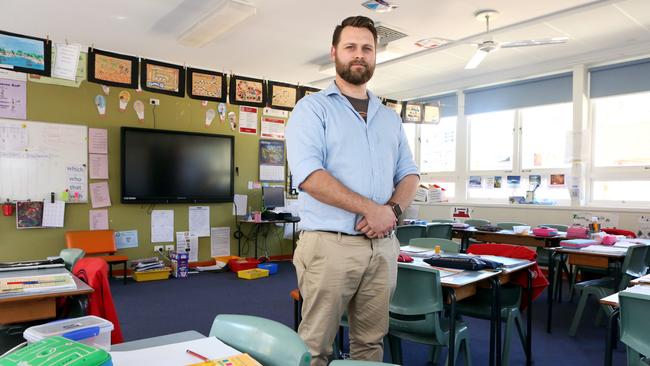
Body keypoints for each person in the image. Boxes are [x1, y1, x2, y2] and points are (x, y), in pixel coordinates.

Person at [285, 15, 420, 365]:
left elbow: (409, 175)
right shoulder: (311, 109)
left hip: (383, 248)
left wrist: (389, 211)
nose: (358, 55)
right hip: (330, 246)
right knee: (315, 348)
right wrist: (370, 210)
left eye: (367, 48)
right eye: (350, 47)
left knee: (371, 345)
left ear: (375, 56)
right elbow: (309, 175)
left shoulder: (389, 117)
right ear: (334, 52)